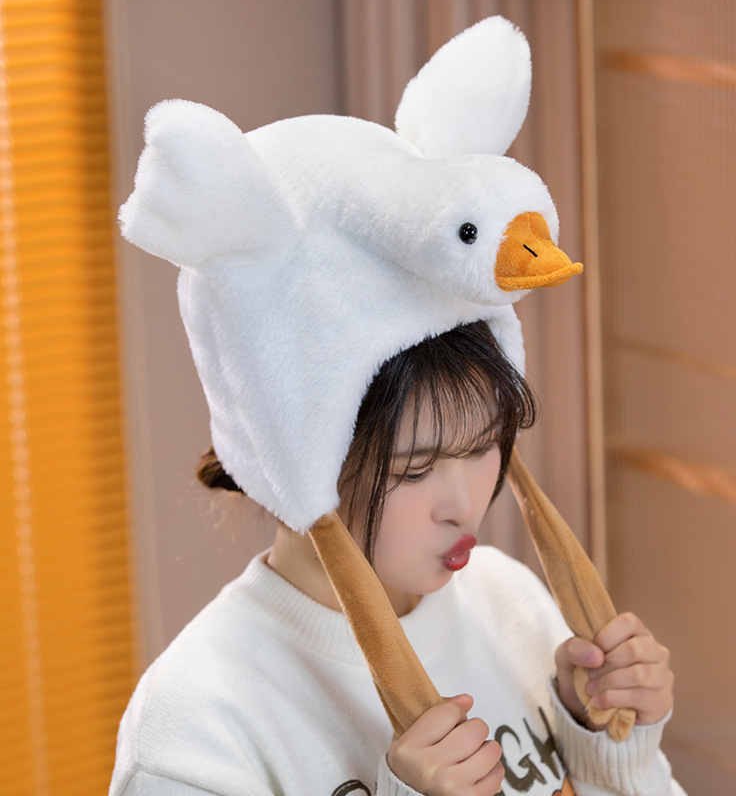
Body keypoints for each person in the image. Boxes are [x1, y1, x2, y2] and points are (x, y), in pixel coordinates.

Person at [109, 320, 684, 796]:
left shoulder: (505, 596)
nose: (465, 507)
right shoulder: (195, 725)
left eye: (484, 445)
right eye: (414, 469)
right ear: (287, 472)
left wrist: (610, 747)